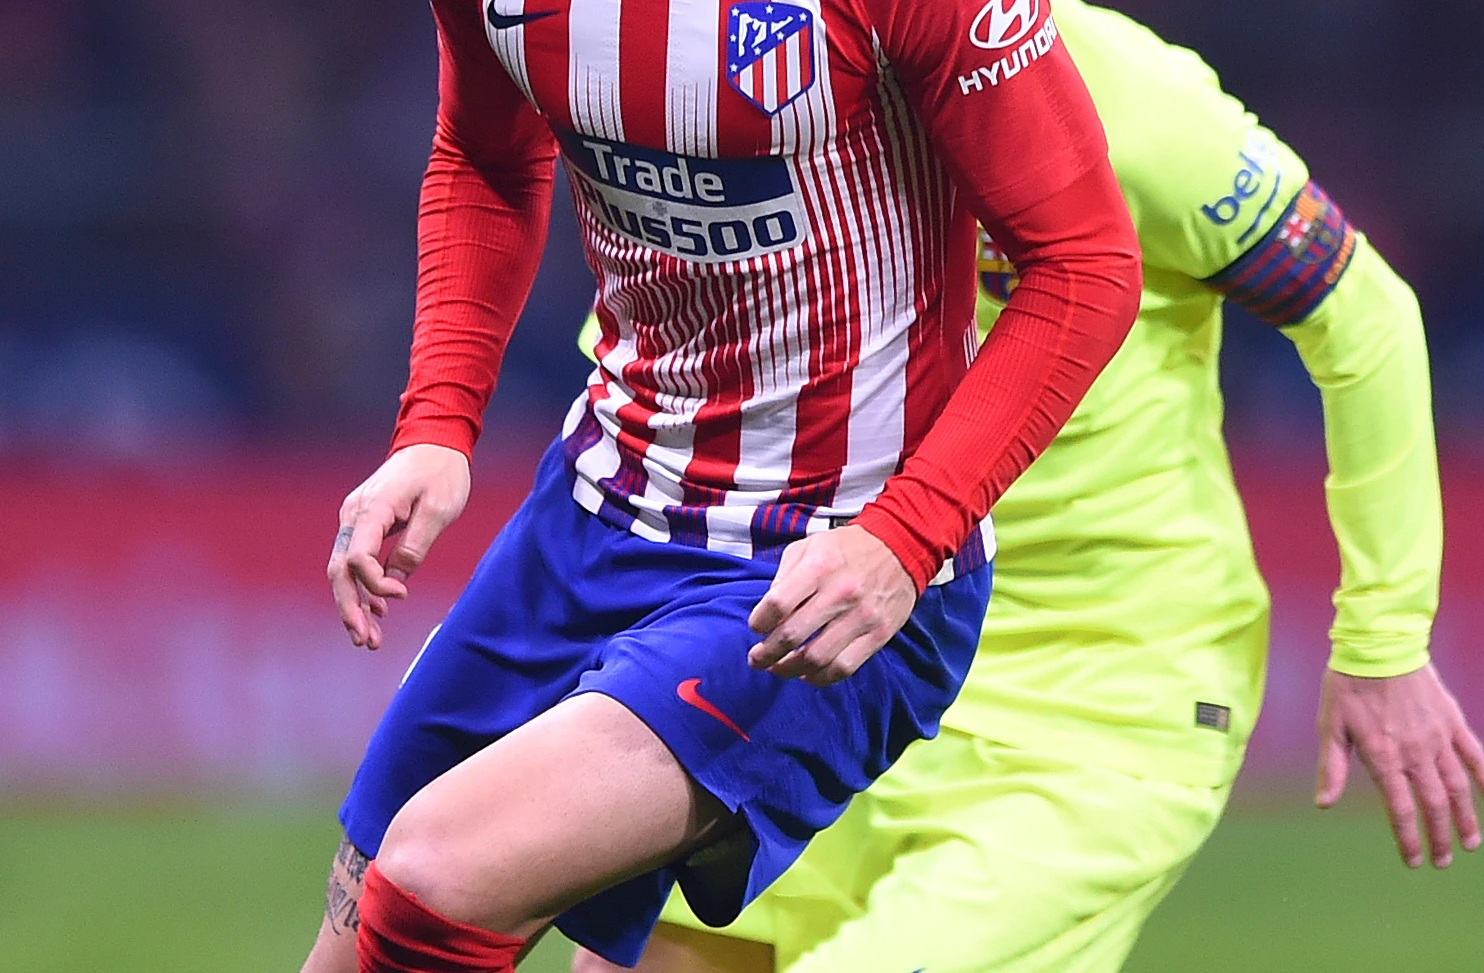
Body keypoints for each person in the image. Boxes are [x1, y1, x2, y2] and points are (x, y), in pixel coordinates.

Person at [572, 2, 1484, 971]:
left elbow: (1363, 314)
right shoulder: (746, 90)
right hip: (840, 650)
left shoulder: (1126, 100)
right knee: (627, 958)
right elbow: (650, 384)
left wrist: (1384, 641)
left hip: (1096, 694)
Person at [299, 0, 1142, 972]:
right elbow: (484, 152)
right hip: (595, 512)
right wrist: (437, 425)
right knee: (356, 940)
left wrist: (906, 536)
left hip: (824, 563)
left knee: (433, 876)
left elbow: (1085, 263)